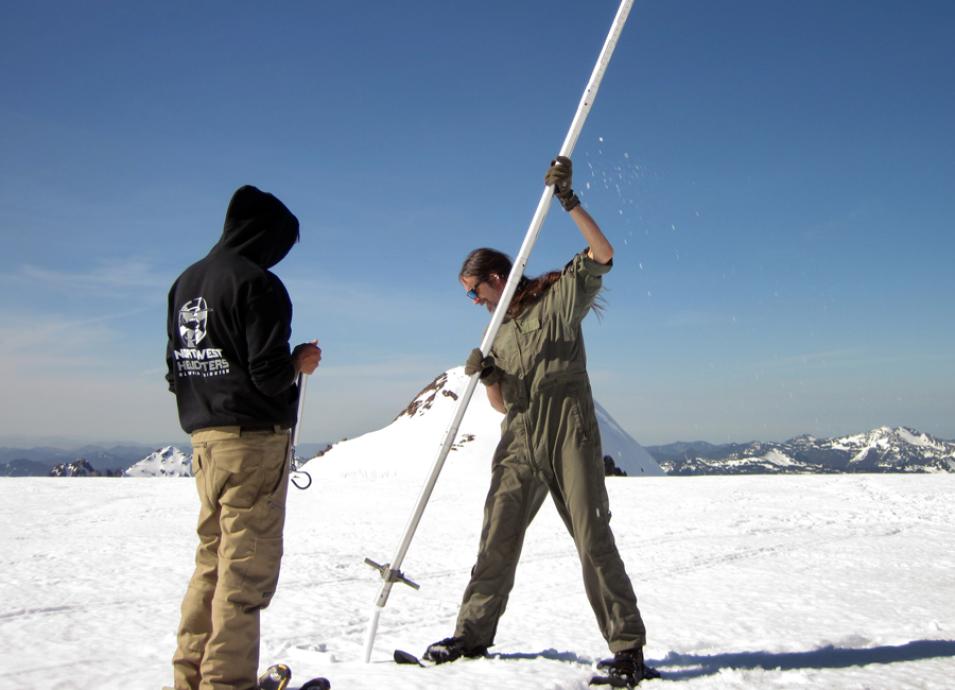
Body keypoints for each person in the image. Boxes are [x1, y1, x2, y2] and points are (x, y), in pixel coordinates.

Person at [424, 157, 656, 685]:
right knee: (497, 534)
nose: (472, 301)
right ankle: (473, 633)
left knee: (591, 534)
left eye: (474, 290)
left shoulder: (556, 299)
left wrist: (569, 202)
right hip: (520, 432)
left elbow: (603, 254)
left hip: (567, 424)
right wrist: (488, 379)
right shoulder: (497, 335)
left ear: (497, 279)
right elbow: (503, 406)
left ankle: (628, 648)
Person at [165, 185, 321, 690]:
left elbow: (176, 371)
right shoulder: (259, 285)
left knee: (210, 564)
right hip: (253, 444)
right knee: (244, 573)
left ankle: (190, 679)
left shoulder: (186, 283)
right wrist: (298, 362)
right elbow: (269, 376)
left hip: (204, 442)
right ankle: (227, 684)